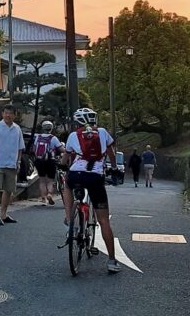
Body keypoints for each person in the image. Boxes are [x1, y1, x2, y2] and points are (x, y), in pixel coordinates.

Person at [62, 108, 122, 274]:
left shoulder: (73, 135)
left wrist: (61, 165)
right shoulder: (102, 132)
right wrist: (115, 168)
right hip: (95, 177)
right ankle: (111, 261)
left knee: (67, 185)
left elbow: (66, 157)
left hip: (76, 174)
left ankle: (69, 220)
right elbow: (111, 153)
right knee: (104, 221)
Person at [0, 105, 25, 225]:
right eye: (6, 113)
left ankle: (4, 213)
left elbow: (20, 148)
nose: (8, 115)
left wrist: (18, 162)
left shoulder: (17, 129)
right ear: (2, 114)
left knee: (9, 190)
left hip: (11, 163)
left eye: (10, 113)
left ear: (15, 115)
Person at [31, 120, 64, 205]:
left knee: (42, 180)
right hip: (50, 161)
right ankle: (49, 194)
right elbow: (61, 149)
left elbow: (34, 149)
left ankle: (43, 199)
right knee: (50, 180)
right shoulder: (53, 138)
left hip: (39, 161)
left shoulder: (38, 137)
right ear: (51, 128)